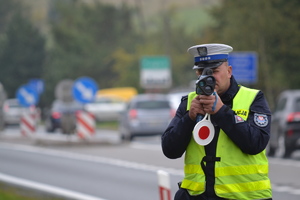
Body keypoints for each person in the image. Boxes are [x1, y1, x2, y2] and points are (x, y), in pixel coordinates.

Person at [161, 43, 272, 200]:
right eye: (201, 72)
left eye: (214, 71)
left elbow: (256, 143)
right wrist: (189, 118)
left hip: (244, 197)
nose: (207, 78)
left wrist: (222, 112)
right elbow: (169, 150)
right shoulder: (189, 102)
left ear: (229, 71)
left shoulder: (252, 98)